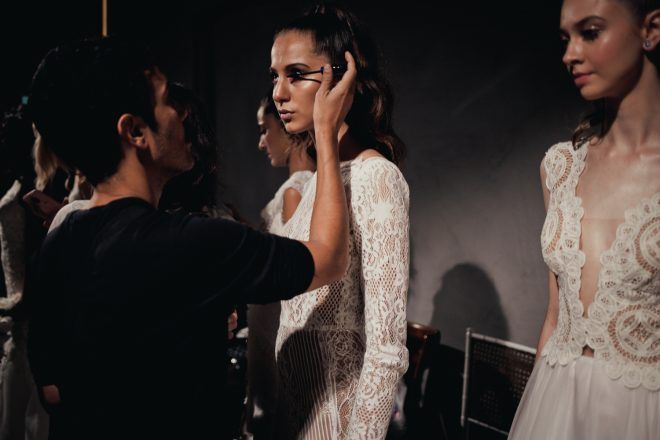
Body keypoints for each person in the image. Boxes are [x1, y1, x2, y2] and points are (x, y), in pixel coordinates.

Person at [25, 35, 355, 440]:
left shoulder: (59, 239)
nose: (181, 113)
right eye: (167, 101)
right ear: (135, 131)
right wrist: (326, 135)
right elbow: (328, 259)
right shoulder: (195, 242)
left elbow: (51, 390)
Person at [509, 0, 660, 438]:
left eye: (590, 32)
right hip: (556, 402)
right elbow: (556, 315)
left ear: (650, 29)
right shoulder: (560, 167)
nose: (570, 54)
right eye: (565, 38)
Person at [269, 4, 410, 438]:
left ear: (342, 78)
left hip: (337, 421)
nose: (278, 93)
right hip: (295, 415)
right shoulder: (317, 182)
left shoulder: (376, 176)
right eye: (274, 76)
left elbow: (387, 349)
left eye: (296, 74)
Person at [245, 94, 315, 437]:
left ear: (288, 131)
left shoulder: (294, 191)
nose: (261, 142)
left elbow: (290, 263)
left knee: (272, 413)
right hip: (268, 320)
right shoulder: (302, 186)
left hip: (275, 322)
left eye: (265, 129)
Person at [0, 106, 49, 440]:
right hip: (20, 316)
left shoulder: (32, 198)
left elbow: (35, 258)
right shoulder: (22, 194)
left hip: (30, 315)